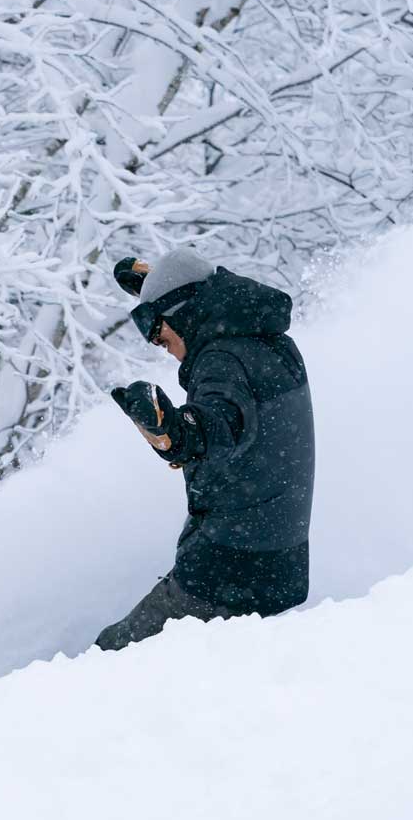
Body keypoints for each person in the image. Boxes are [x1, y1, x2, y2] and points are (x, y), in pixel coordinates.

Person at [95, 249, 314, 651]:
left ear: (184, 313)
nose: (158, 343)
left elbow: (220, 421)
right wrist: (156, 286)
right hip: (279, 562)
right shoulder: (267, 340)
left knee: (110, 655)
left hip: (227, 571)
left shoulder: (221, 361)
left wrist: (174, 432)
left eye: (159, 331)